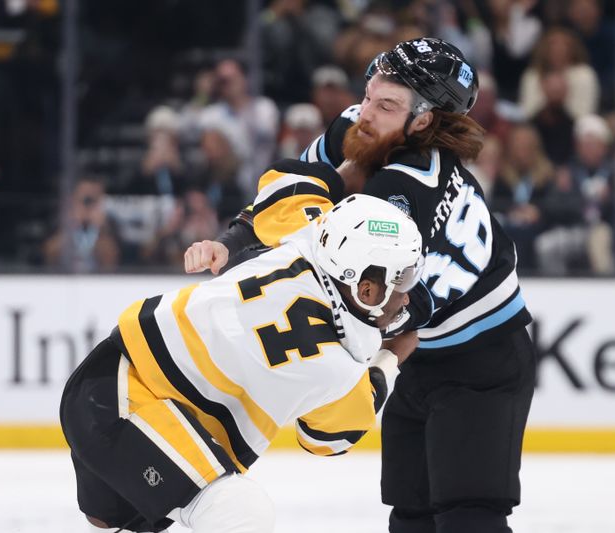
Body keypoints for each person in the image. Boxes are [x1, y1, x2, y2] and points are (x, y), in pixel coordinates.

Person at [186, 38, 536, 533]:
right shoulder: (364, 125)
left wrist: (252, 269)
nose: (364, 113)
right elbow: (297, 189)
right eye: (369, 94)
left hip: (482, 360)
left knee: (468, 514)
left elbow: (372, 298)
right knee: (410, 513)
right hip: (419, 351)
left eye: (386, 105)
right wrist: (235, 239)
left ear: (424, 122)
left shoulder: (409, 191)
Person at [60, 193, 424, 533]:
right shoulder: (337, 368)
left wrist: (227, 242)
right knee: (241, 511)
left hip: (111, 375)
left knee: (114, 517)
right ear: (366, 288)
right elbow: (326, 439)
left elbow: (286, 188)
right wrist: (391, 357)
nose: (407, 298)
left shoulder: (300, 233)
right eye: (403, 279)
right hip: (124, 406)